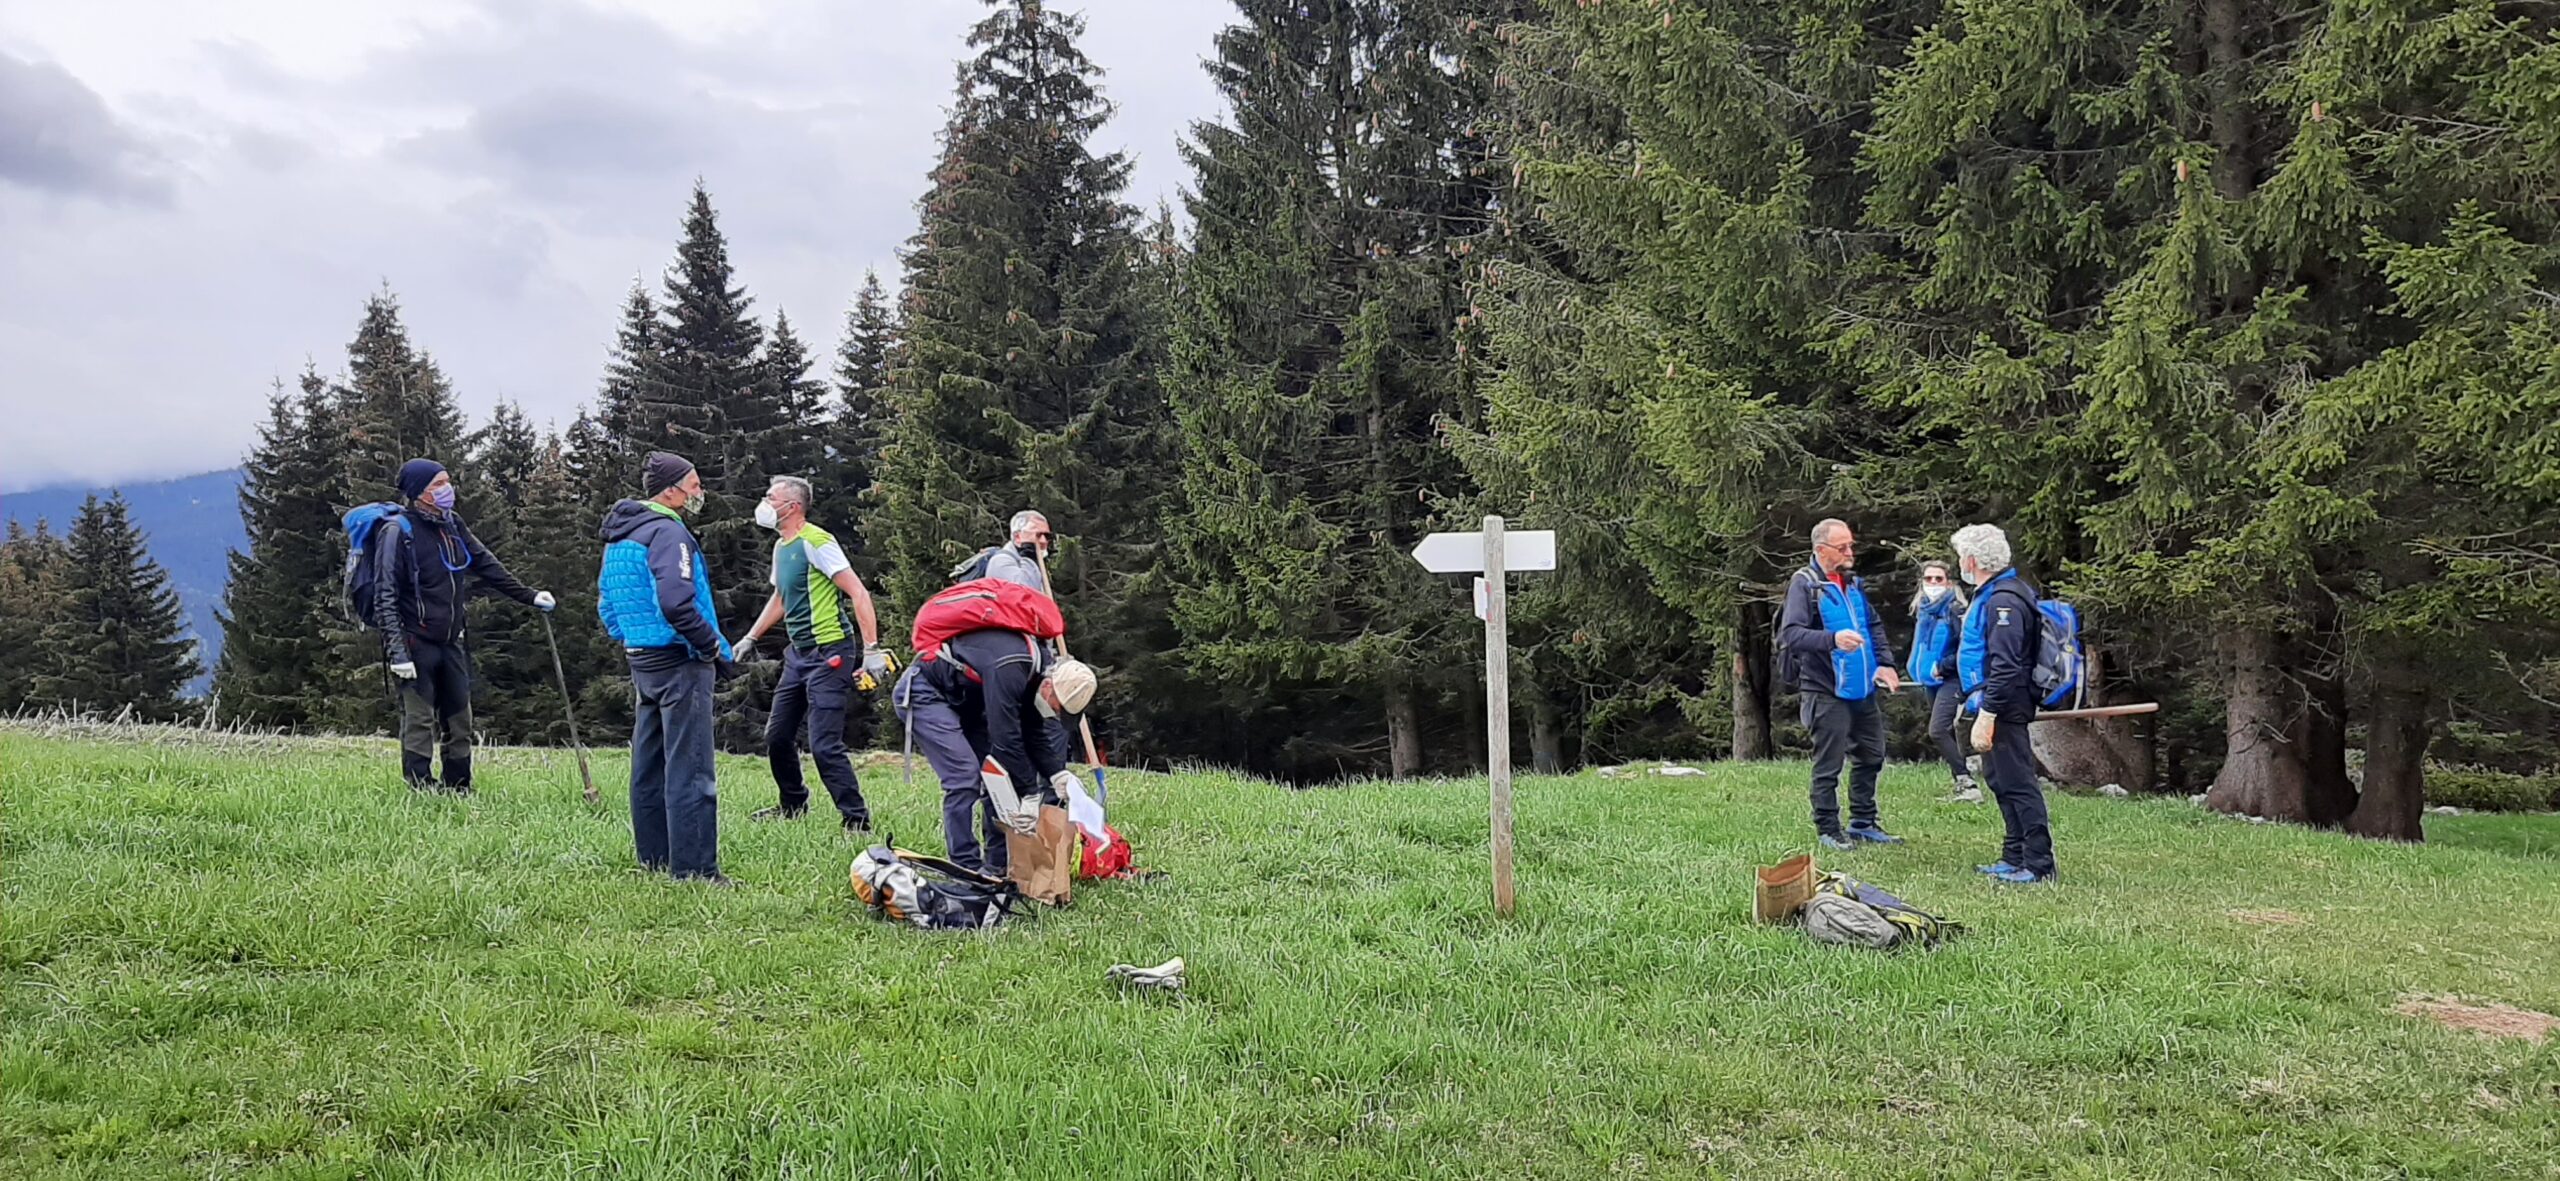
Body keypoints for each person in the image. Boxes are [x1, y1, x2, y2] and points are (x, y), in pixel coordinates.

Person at [371, 458, 555, 795]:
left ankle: (459, 788)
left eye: (447, 481)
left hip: (451, 640)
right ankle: (421, 790)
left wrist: (529, 596)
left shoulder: (452, 524)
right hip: (414, 642)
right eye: (438, 484)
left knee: (459, 718)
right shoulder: (397, 532)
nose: (448, 489)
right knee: (419, 720)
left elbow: (486, 564)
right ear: (419, 493)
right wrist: (397, 652)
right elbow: (385, 595)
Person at [598, 452, 735, 884]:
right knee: (690, 768)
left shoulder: (621, 535)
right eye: (694, 485)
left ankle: (654, 859)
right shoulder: (668, 533)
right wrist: (709, 644)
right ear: (671, 490)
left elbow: (607, 607)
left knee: (649, 765)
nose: (699, 492)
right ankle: (695, 870)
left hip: (642, 657)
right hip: (680, 659)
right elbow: (677, 602)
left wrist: (633, 638)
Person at [730, 476, 895, 832]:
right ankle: (792, 805)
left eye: (770, 497)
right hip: (799, 655)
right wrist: (751, 637)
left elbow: (858, 592)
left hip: (830, 653)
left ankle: (856, 821)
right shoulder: (782, 547)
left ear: (792, 507)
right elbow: (781, 597)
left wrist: (871, 650)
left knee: (823, 744)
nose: (764, 503)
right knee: (777, 736)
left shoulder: (817, 541)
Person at [893, 625, 1097, 876]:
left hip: (965, 701)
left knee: (999, 777)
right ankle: (965, 868)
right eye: (1058, 708)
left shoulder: (1038, 670)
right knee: (964, 777)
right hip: (926, 693)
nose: (1056, 714)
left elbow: (1032, 732)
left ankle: (998, 865)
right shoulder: (1011, 669)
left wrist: (1057, 774)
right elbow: (1005, 738)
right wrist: (1030, 793)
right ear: (1049, 688)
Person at [1778, 518, 1903, 851]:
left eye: (1851, 545)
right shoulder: (1804, 585)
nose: (1850, 552)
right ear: (1821, 550)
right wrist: (1832, 639)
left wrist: (1885, 664)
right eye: (1842, 547)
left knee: (1872, 755)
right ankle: (1828, 828)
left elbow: (1873, 626)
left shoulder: (1853, 583)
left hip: (1862, 687)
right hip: (1824, 689)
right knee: (1829, 763)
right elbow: (1791, 635)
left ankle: (1863, 821)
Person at [1954, 523, 2053, 884]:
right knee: (1999, 779)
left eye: (1961, 556)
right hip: (1994, 701)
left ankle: (2038, 863)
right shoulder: (1996, 593)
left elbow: (2006, 663)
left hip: (2005, 705)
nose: (1959, 563)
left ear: (1972, 560)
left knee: (2018, 781)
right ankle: (2014, 855)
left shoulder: (2004, 601)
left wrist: (1989, 712)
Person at [1906, 559, 1980, 803]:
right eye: (1929, 578)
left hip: (1952, 678)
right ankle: (1962, 781)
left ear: (1949, 582)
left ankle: (1967, 781)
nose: (1933, 583)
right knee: (1945, 730)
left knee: (1937, 730)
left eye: (1939, 578)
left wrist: (1942, 666)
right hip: (1930, 681)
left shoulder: (1956, 610)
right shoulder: (1923, 611)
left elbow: (1966, 648)